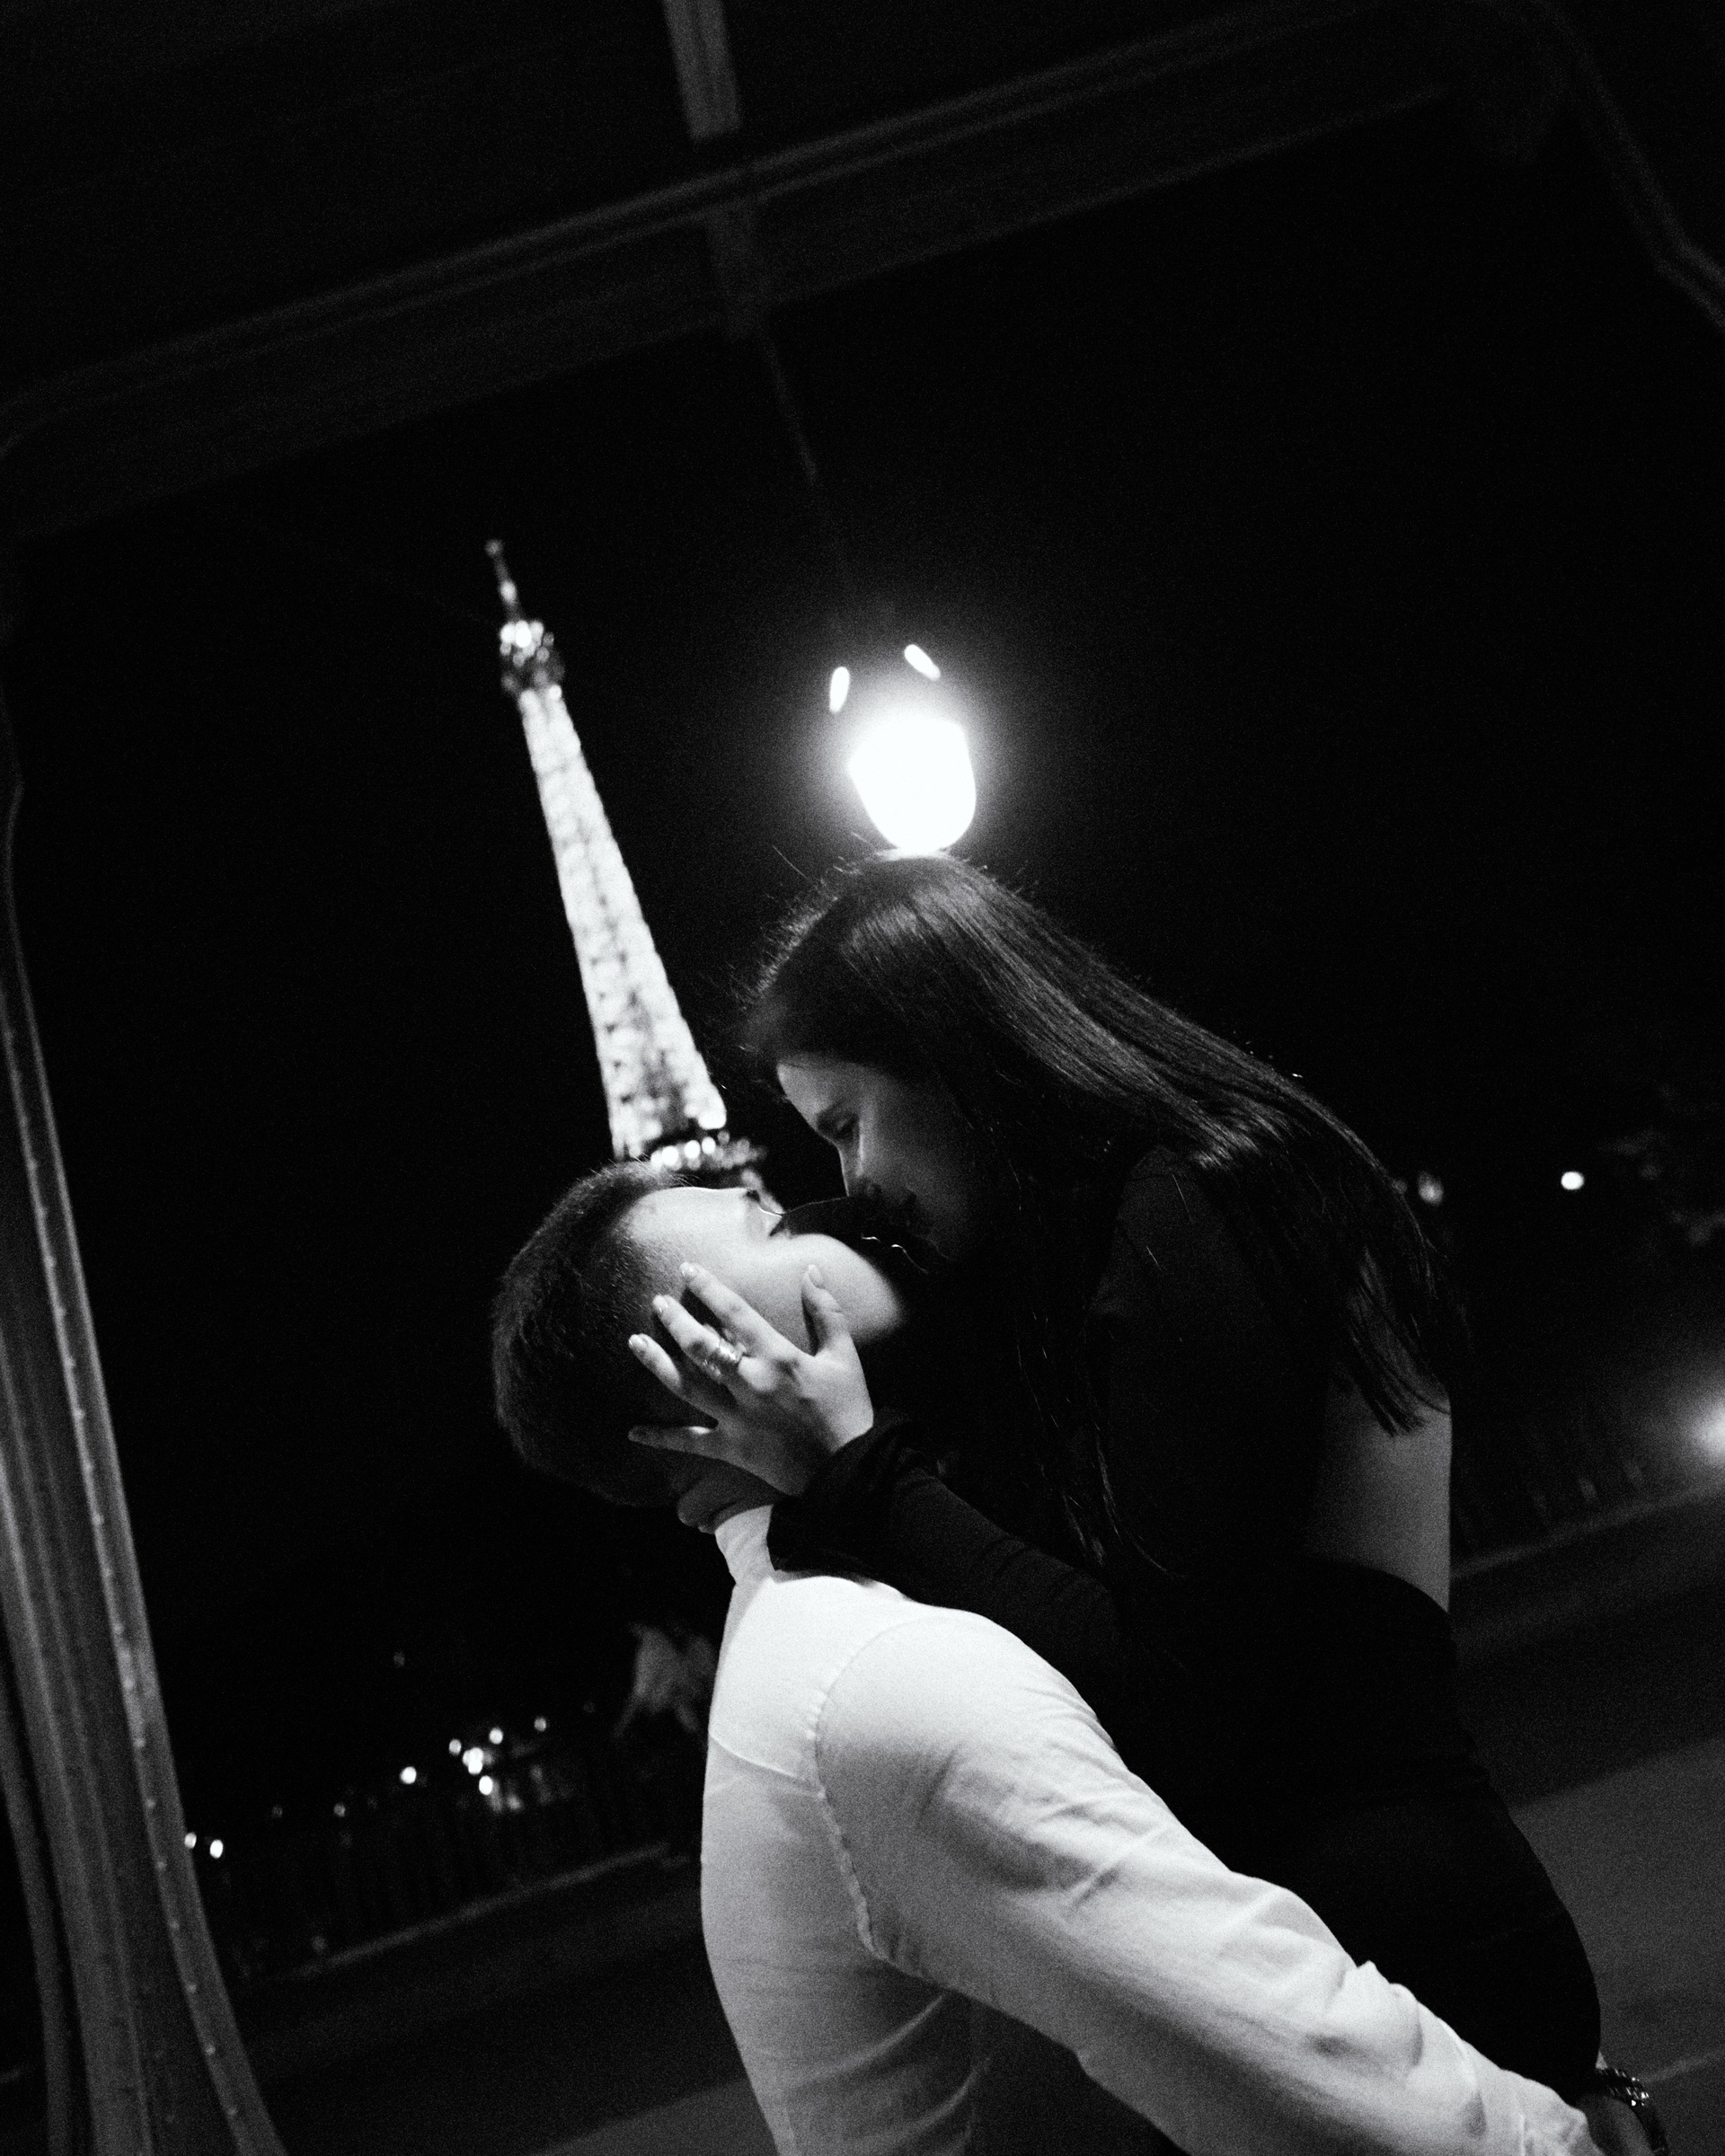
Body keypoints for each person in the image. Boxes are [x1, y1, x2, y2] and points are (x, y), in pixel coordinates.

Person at [620, 852, 1655, 2143]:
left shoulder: (1197, 1202)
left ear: (958, 1055)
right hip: (1362, 1943)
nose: (855, 1181)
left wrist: (855, 1471)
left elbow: (1180, 1699)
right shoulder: (1145, 1224)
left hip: (1407, 1963)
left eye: (845, 1121)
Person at [491, 1160, 1600, 2156]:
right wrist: (1565, 2136)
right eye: (771, 1223)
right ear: (699, 1369)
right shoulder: (884, 1673)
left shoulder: (824, 1630)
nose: (842, 1203)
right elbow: (1295, 2062)